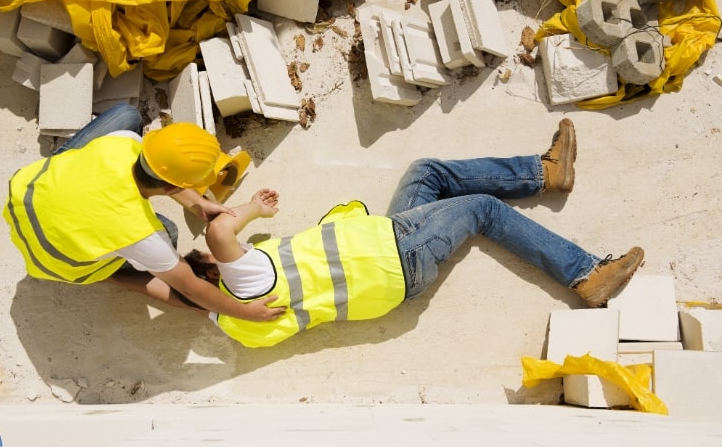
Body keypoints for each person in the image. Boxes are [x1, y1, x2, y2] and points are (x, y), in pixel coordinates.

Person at [186, 119, 644, 347]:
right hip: (397, 252)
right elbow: (221, 232)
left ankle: (546, 172)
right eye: (215, 261)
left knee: (426, 173)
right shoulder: (246, 283)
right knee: (483, 209)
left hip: (390, 257)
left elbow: (177, 291)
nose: (235, 251)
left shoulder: (234, 324)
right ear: (213, 275)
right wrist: (252, 208)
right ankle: (586, 274)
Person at [3, 102, 285, 322]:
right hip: (55, 260)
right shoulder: (143, 235)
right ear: (173, 188)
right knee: (170, 234)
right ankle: (105, 273)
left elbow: (161, 175)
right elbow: (191, 289)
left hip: (25, 195)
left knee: (127, 115)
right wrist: (245, 312)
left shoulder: (122, 142)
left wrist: (197, 203)